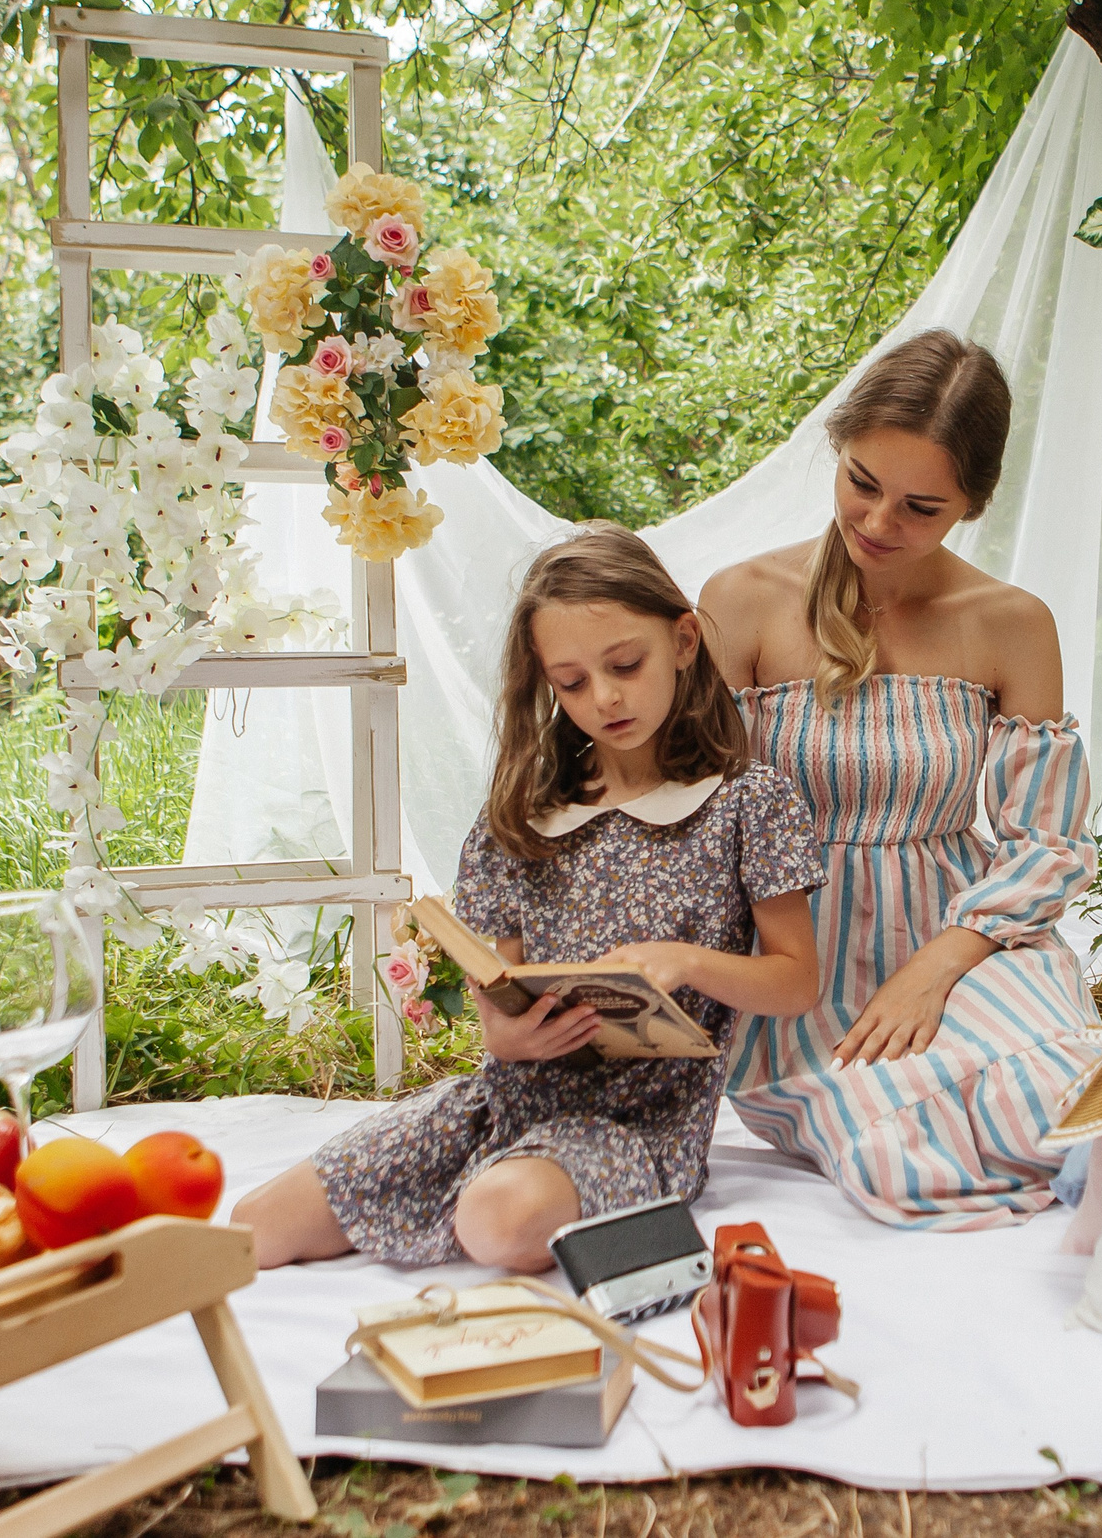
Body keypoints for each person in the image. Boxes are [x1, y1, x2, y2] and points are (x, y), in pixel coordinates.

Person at [231, 521, 826, 1271]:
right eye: (572, 682)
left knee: (499, 1220)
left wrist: (687, 962)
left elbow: (796, 980)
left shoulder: (747, 802)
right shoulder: (520, 816)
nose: (605, 697)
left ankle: (521, 1203)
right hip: (503, 1105)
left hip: (636, 1127)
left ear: (681, 642)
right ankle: (482, 1185)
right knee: (253, 1227)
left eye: (625, 664)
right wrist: (512, 1036)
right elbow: (497, 1007)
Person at [700, 328, 1102, 1228]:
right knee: (894, 1159)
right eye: (862, 483)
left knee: (1060, 1089)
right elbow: (693, 816)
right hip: (800, 958)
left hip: (969, 937)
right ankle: (1093, 1198)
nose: (879, 524)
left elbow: (1048, 841)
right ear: (837, 451)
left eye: (921, 507)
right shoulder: (742, 600)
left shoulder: (1009, 623)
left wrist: (937, 967)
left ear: (972, 503)